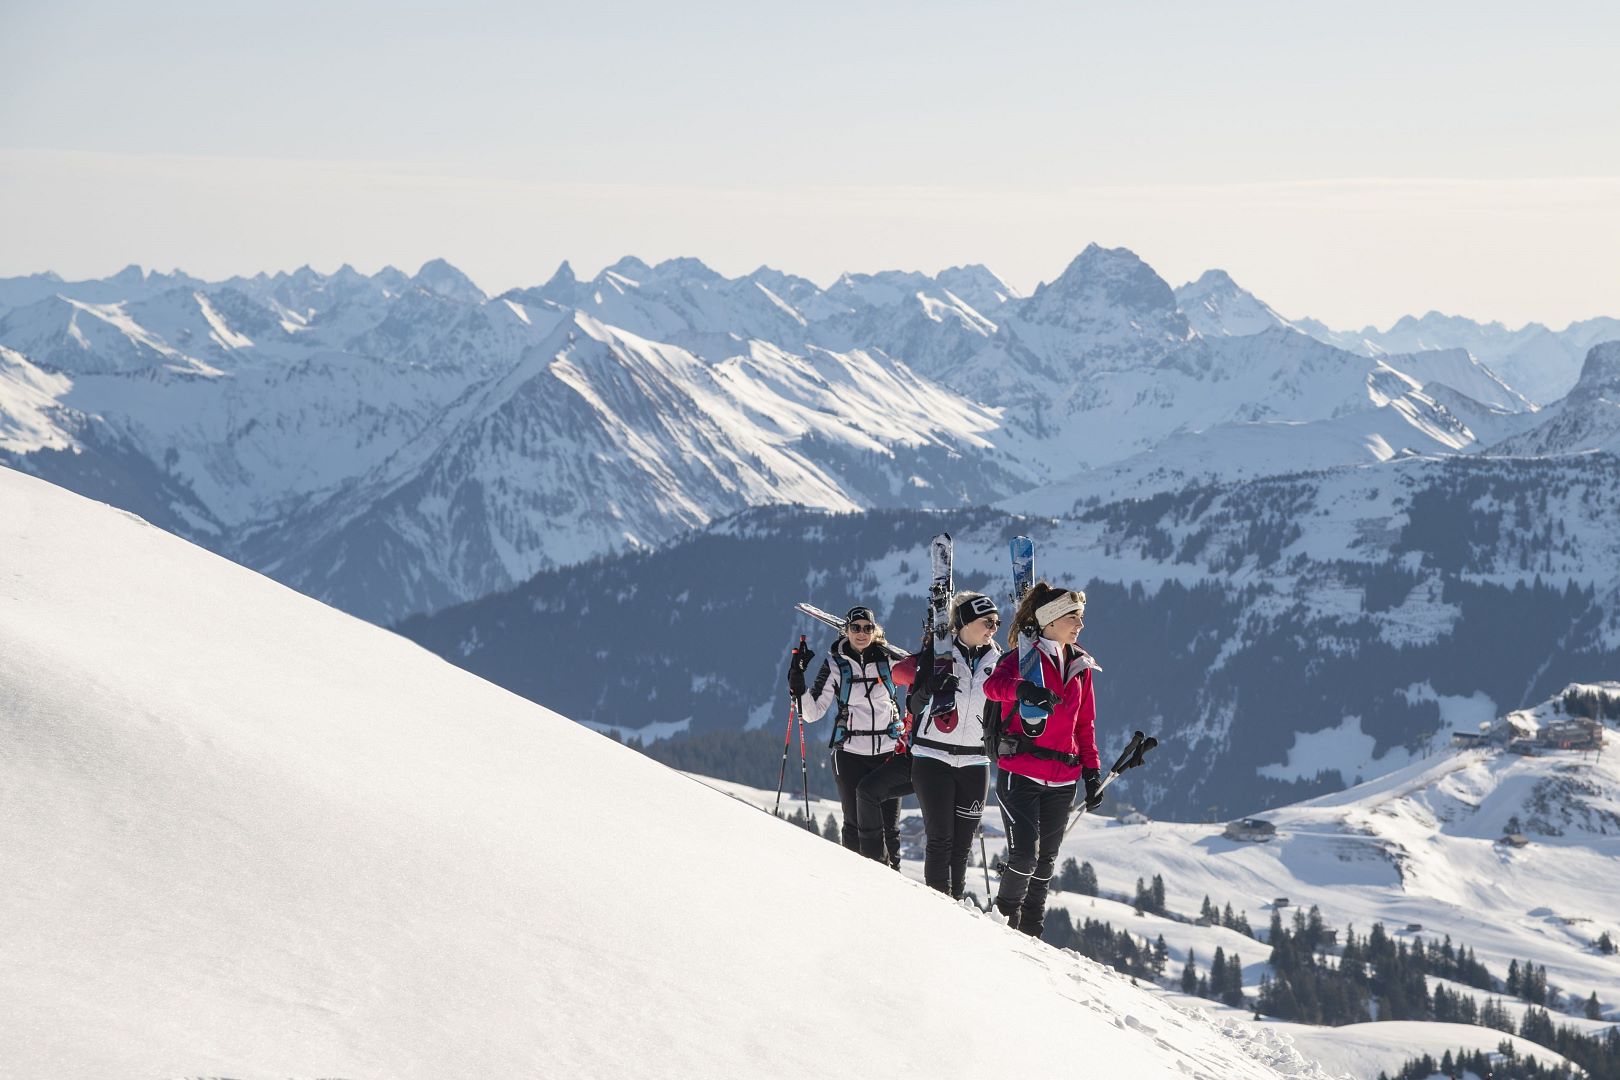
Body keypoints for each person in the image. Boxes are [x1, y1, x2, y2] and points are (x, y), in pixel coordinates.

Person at [983, 582, 1101, 936]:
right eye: (1073, 617)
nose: (1080, 625)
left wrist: (1092, 772)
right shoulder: (1021, 657)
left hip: (1064, 779)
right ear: (1050, 620)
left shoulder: (1080, 664)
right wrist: (1022, 688)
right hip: (1019, 772)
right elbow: (992, 688)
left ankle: (1031, 935)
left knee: (1045, 863)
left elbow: (1085, 723)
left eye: (1081, 618)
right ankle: (1001, 927)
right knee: (1024, 858)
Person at [892, 591, 1002, 900]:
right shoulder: (939, 655)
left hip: (975, 762)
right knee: (940, 839)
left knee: (962, 846)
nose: (993, 628)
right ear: (966, 622)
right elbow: (913, 704)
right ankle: (938, 908)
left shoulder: (999, 660)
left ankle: (954, 907)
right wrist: (930, 686)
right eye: (987, 622)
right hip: (932, 757)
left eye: (997, 622)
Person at [787, 606, 903, 858]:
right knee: (854, 824)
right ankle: (853, 883)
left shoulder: (889, 659)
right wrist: (799, 687)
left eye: (867, 628)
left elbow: (918, 681)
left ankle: (895, 882)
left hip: (888, 753)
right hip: (850, 754)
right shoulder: (835, 663)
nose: (861, 633)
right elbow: (813, 712)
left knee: (890, 829)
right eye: (855, 628)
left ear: (875, 631)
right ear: (846, 630)